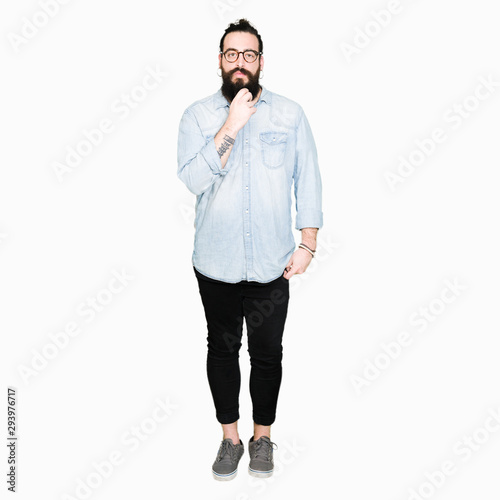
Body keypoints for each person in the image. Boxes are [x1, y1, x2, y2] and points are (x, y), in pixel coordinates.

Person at [177, 18, 323, 481]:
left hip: (271, 264)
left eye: (250, 54)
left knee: (267, 354)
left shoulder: (289, 114)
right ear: (220, 60)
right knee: (221, 352)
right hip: (215, 263)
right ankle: (230, 439)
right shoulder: (198, 116)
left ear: (261, 61)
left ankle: (262, 438)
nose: (240, 62)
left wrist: (308, 243)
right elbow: (193, 181)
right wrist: (233, 124)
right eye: (232, 53)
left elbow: (309, 179)